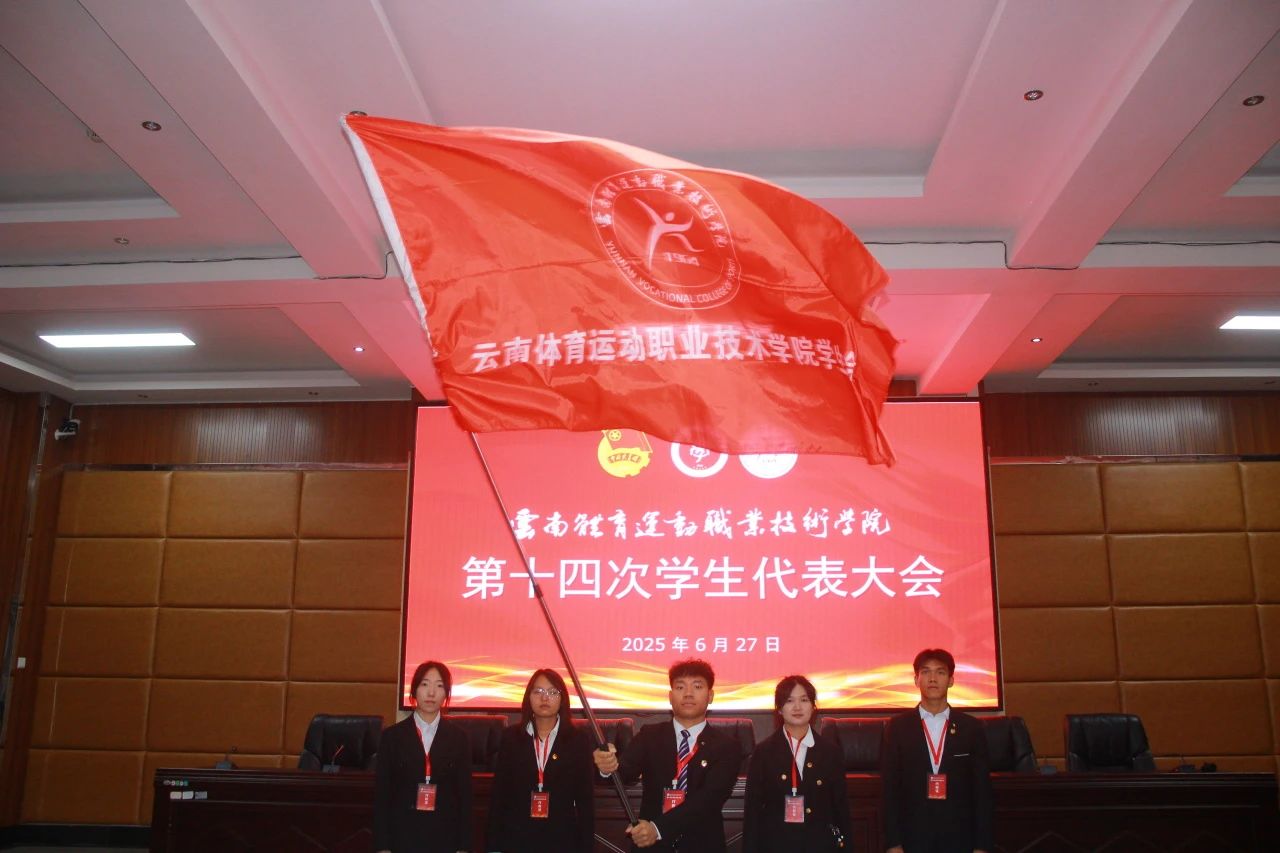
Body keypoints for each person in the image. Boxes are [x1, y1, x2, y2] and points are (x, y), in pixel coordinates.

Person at [592, 658, 738, 851]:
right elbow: (623, 772)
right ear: (670, 696)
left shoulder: (727, 746)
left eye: (697, 686)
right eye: (680, 687)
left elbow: (709, 799)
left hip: (702, 845)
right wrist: (606, 767)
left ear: (710, 696)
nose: (688, 694)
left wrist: (657, 829)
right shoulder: (649, 736)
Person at [880, 649, 993, 853]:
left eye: (940, 672)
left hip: (960, 838)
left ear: (951, 680)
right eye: (926, 672)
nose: (932, 678)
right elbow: (889, 790)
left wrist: (982, 845)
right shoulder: (896, 728)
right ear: (916, 680)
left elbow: (982, 792)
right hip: (912, 837)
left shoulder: (971, 728)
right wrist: (893, 843)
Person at [486, 668, 595, 852]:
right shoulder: (511, 737)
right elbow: (499, 796)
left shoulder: (578, 740)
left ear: (562, 699)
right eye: (538, 691)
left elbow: (586, 802)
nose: (545, 698)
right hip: (516, 839)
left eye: (552, 692)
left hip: (562, 840)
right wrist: (493, 847)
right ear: (528, 697)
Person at [743, 675, 851, 852]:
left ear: (813, 706)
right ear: (779, 709)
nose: (797, 707)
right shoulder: (764, 752)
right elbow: (752, 813)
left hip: (820, 846)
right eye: (789, 700)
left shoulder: (830, 752)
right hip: (776, 846)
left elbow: (841, 810)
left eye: (804, 700)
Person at [374, 661, 472, 853]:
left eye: (439, 686)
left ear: (446, 694)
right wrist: (382, 846)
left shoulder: (459, 738)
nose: (431, 693)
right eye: (425, 684)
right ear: (414, 690)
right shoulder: (392, 737)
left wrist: (464, 846)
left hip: (445, 837)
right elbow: (382, 794)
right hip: (402, 836)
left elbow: (465, 796)